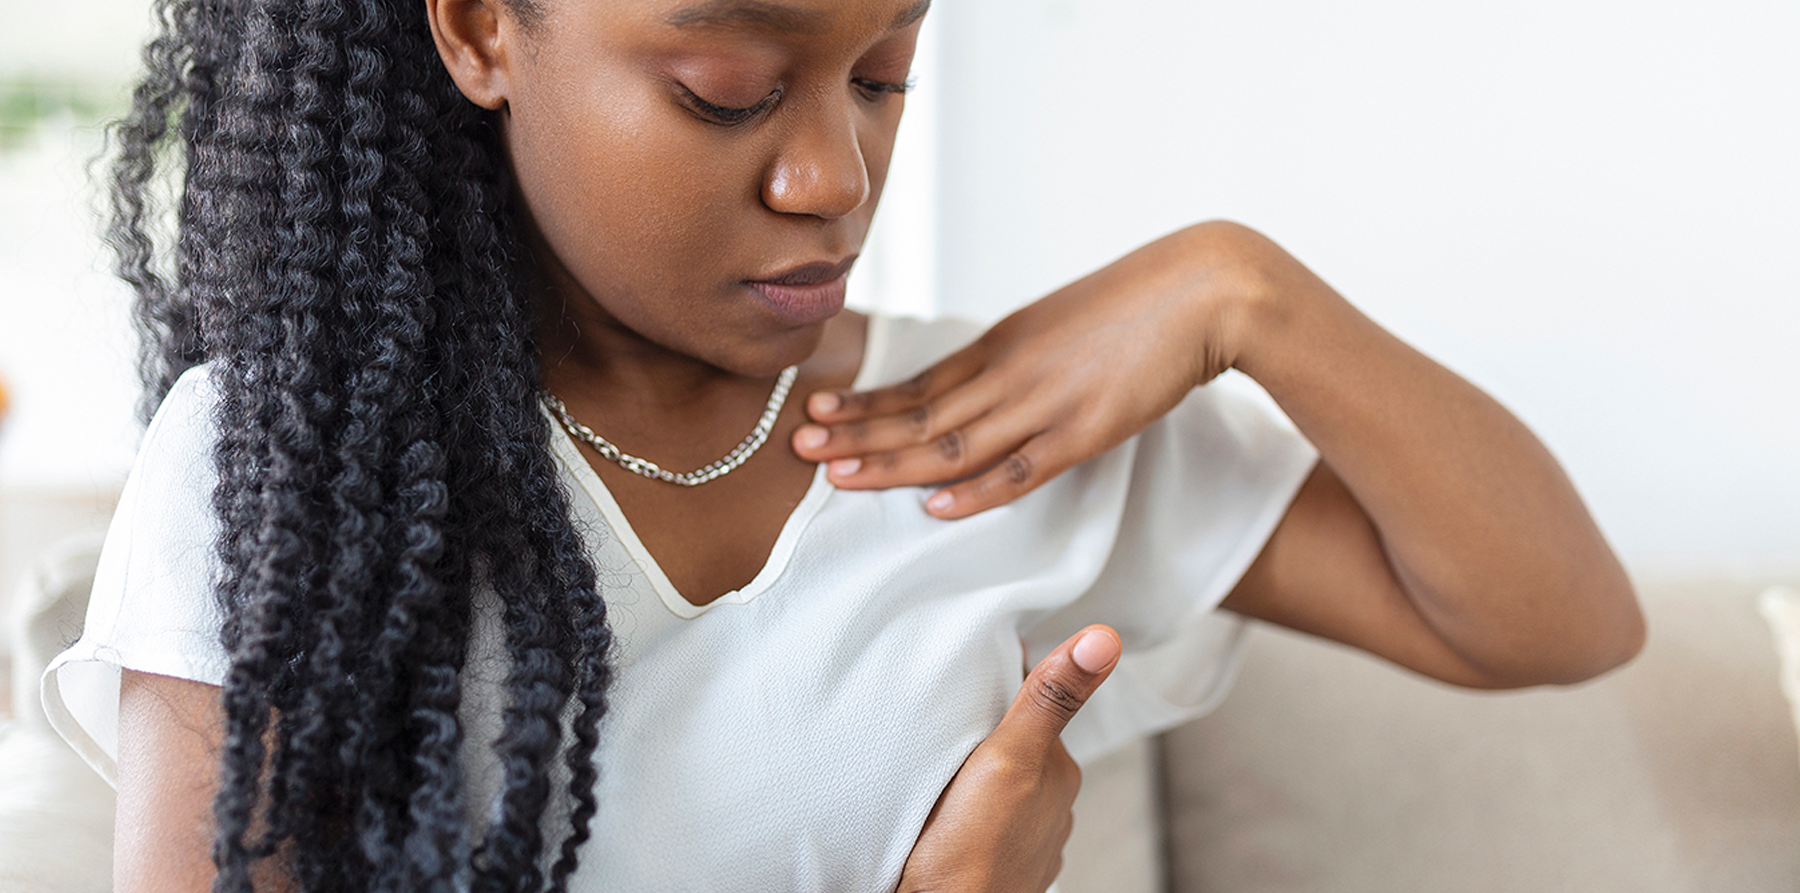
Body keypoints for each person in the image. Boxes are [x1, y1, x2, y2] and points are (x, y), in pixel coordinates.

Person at [37, 0, 1646, 890]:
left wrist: (1247, 289)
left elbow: (1557, 620)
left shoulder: (1007, 421)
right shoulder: (288, 472)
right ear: (475, 33)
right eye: (728, 91)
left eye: (886, 74)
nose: (834, 174)